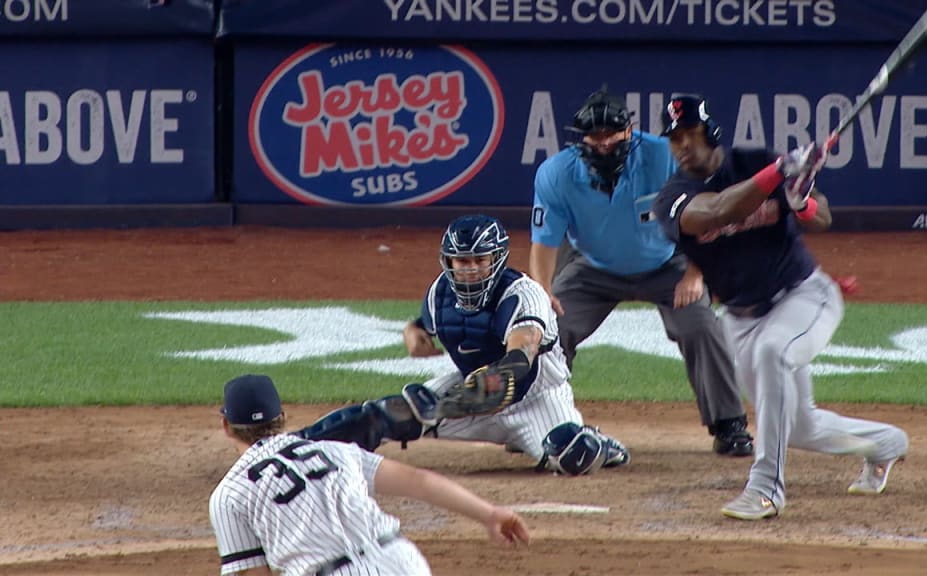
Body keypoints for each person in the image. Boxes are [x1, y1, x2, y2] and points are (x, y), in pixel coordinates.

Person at [652, 93, 909, 520]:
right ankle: (887, 444)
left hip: (804, 297)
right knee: (798, 426)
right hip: (740, 319)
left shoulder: (754, 159)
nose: (682, 146)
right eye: (674, 138)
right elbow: (714, 212)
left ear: (710, 132)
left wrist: (800, 196)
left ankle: (766, 488)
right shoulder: (672, 198)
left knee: (775, 352)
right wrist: (778, 173)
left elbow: (821, 216)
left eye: (690, 134)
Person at [297, 214, 630, 477]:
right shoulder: (440, 291)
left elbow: (523, 352)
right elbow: (424, 322)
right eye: (462, 261)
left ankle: (599, 442)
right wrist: (411, 332)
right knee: (394, 414)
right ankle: (299, 445)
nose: (470, 269)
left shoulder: (524, 294)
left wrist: (490, 386)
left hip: (536, 399)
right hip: (471, 391)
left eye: (479, 260)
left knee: (571, 453)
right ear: (449, 262)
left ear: (496, 259)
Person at [529, 86, 753, 456]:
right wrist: (543, 293)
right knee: (550, 327)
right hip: (592, 266)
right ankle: (540, 423)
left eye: (611, 134)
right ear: (580, 138)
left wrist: (695, 275)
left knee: (699, 326)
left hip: (668, 261)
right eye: (594, 135)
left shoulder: (663, 156)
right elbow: (544, 243)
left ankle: (728, 424)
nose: (602, 143)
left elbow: (710, 213)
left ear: (629, 131)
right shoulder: (556, 174)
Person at [209, 373, 530, 576]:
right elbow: (419, 481)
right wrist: (489, 513)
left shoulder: (229, 494)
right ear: (282, 417)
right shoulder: (334, 450)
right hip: (402, 562)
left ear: (226, 426)